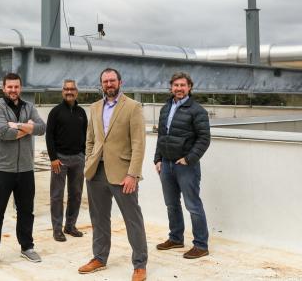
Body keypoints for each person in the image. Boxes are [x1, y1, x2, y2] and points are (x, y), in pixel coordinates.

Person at [78, 68, 148, 281]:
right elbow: (90, 139)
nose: (109, 84)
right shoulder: (94, 107)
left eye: (112, 80)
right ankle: (99, 257)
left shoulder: (133, 107)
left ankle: (139, 264)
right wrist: (89, 160)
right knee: (98, 218)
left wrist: (133, 174)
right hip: (96, 172)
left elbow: (139, 143)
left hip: (123, 173)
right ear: (101, 84)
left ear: (120, 82)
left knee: (132, 219)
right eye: (105, 81)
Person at [0, 72, 47, 269]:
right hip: (2, 168)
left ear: (20, 88)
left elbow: (42, 128)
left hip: (26, 168)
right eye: (9, 87)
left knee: (26, 210)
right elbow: (4, 132)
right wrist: (27, 128)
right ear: (3, 88)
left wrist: (17, 126)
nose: (13, 90)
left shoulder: (29, 107)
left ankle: (27, 247)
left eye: (16, 87)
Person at [154, 72, 211, 259]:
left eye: (182, 85)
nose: (179, 88)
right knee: (171, 204)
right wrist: (158, 159)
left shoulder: (197, 110)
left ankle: (201, 245)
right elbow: (161, 136)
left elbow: (204, 139)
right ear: (171, 87)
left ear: (189, 87)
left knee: (193, 205)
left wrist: (189, 159)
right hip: (167, 164)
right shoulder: (165, 107)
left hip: (186, 166)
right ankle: (176, 238)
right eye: (176, 85)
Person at [45, 79, 87, 242]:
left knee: (76, 194)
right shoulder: (55, 112)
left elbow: (86, 135)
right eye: (66, 89)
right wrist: (53, 158)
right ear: (62, 91)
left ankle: (70, 226)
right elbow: (49, 136)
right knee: (56, 195)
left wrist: (83, 155)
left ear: (76, 91)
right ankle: (57, 229)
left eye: (72, 89)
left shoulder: (81, 112)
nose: (69, 92)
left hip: (78, 159)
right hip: (60, 160)